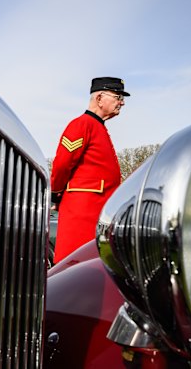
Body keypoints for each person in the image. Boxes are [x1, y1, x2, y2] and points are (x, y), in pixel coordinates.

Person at [50, 77, 129, 263]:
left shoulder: (98, 127)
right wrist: (56, 194)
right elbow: (62, 164)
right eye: (117, 96)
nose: (122, 102)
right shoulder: (82, 124)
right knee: (74, 266)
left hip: (96, 213)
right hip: (82, 214)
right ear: (100, 98)